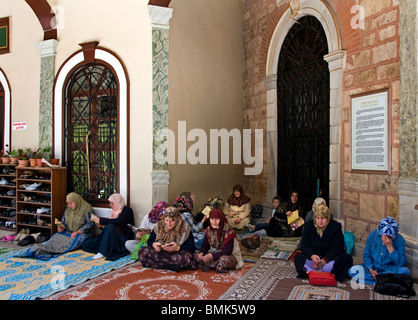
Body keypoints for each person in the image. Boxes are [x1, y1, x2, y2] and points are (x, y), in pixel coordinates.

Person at [15, 192, 95, 260]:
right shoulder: (68, 210)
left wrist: (78, 231)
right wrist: (60, 227)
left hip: (83, 233)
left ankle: (47, 251)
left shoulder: (86, 209)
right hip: (69, 231)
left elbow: (90, 223)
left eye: (71, 203)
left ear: (77, 201)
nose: (69, 205)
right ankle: (40, 249)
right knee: (56, 236)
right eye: (68, 203)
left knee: (72, 240)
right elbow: (64, 221)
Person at [294, 204, 353, 282]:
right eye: (317, 218)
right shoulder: (309, 226)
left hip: (329, 260)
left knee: (346, 258)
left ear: (327, 218)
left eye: (323, 218)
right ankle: (317, 272)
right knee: (299, 259)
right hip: (314, 261)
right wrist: (312, 256)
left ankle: (322, 273)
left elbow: (338, 247)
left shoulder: (335, 226)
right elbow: (304, 245)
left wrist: (324, 260)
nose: (320, 221)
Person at [348, 217, 411, 285]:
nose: (386, 238)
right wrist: (371, 269)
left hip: (389, 269)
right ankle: (382, 282)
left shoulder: (400, 240)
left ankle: (382, 280)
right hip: (373, 267)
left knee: (405, 272)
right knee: (352, 271)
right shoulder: (373, 235)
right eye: (384, 235)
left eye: (389, 236)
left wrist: (390, 247)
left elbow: (401, 263)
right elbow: (367, 255)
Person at [137, 206, 197, 272]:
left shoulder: (185, 228)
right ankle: (171, 266)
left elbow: (192, 247)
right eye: (166, 220)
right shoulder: (159, 226)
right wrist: (155, 245)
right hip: (161, 253)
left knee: (186, 256)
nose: (168, 224)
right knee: (142, 251)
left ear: (177, 219)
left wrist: (177, 248)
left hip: (176, 254)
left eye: (172, 221)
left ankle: (157, 264)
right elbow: (150, 241)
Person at [82, 193, 135, 261]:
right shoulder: (114, 212)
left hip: (123, 239)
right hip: (113, 237)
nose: (110, 205)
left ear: (117, 202)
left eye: (112, 203)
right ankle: (103, 249)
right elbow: (108, 230)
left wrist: (101, 220)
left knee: (110, 226)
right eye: (110, 203)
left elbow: (118, 222)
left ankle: (102, 252)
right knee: (86, 244)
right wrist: (100, 226)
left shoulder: (127, 210)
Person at [196, 208, 244, 273]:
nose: (214, 222)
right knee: (197, 257)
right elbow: (205, 245)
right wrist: (202, 253)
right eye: (212, 219)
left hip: (230, 256)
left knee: (223, 261)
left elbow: (228, 251)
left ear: (221, 219)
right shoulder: (208, 230)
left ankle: (215, 265)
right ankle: (214, 265)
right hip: (215, 254)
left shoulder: (229, 232)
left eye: (217, 219)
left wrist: (212, 256)